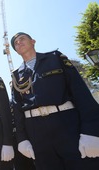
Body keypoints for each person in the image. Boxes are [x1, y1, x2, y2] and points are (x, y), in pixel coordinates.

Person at [10, 32, 99, 170]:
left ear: (33, 41)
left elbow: (80, 92)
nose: (19, 43)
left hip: (66, 123)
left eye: (22, 39)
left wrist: (91, 131)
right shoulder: (16, 75)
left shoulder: (55, 58)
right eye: (15, 43)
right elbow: (17, 109)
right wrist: (22, 139)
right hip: (36, 130)